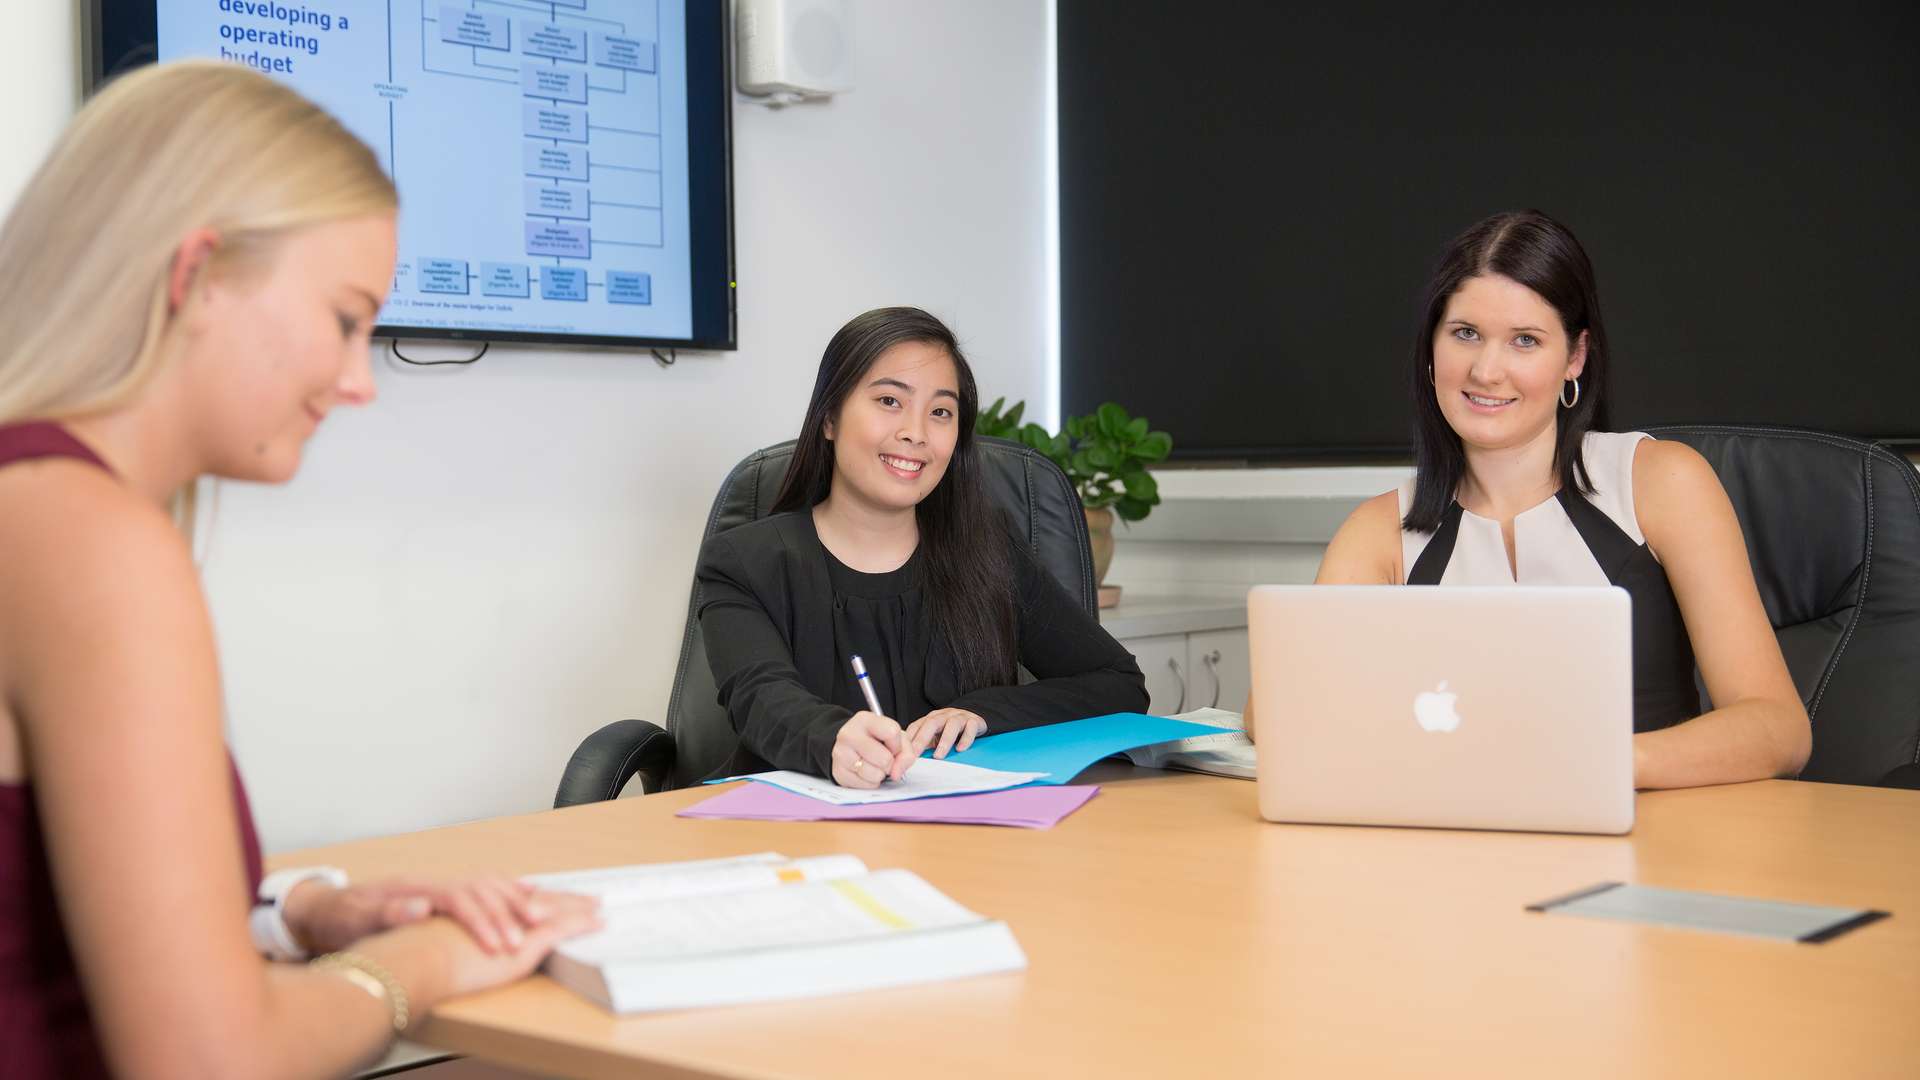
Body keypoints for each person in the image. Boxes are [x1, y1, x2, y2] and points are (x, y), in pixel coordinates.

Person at [0, 61, 599, 1078]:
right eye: (344, 318)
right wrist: (428, 961)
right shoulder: (91, 542)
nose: (359, 382)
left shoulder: (34, 505)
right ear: (194, 276)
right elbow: (208, 1060)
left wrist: (308, 913)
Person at [1247, 210, 1809, 790]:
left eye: (1525, 340)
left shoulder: (1661, 481)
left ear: (1575, 358)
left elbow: (1778, 727)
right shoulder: (1379, 531)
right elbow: (1272, 711)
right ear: (1431, 350)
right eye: (1465, 333)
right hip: (1452, 845)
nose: (1487, 370)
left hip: (1654, 838)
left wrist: (1598, 766)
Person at [696, 307, 1148, 788]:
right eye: (890, 401)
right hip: (792, 842)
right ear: (829, 418)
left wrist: (984, 712)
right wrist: (832, 739)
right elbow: (760, 697)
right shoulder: (745, 562)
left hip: (965, 839)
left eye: (940, 412)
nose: (916, 433)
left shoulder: (987, 551)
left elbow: (1117, 683)